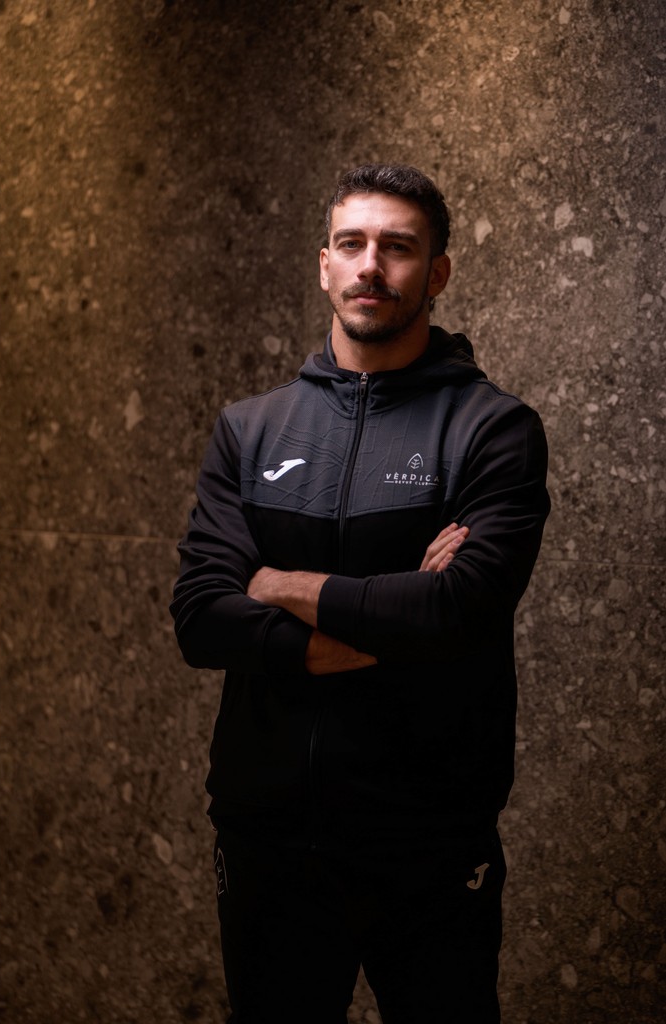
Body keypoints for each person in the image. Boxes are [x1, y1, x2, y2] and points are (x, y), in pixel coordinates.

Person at [170, 163, 550, 1023]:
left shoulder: (491, 430)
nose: (370, 265)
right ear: (324, 264)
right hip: (267, 839)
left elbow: (456, 610)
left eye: (397, 247)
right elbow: (200, 617)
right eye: (351, 244)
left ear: (436, 272)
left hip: (429, 844)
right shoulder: (251, 430)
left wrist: (276, 583)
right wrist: (388, 619)